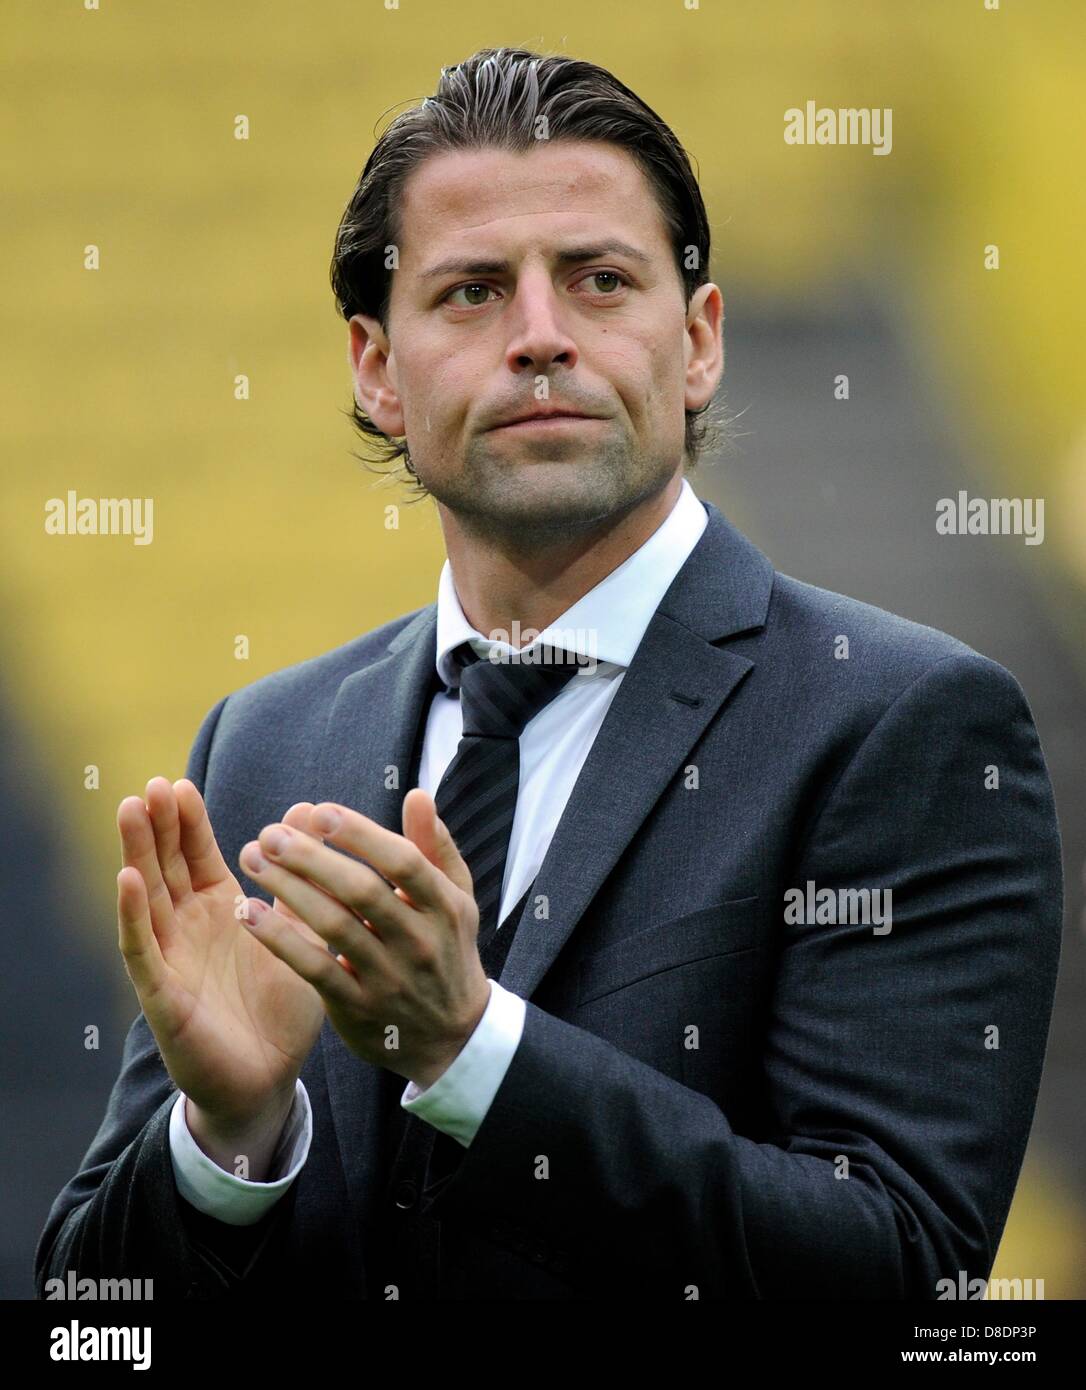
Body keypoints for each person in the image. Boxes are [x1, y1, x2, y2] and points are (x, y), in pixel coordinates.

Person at [36, 46, 1062, 1301]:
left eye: (599, 281)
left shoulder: (906, 723)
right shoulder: (263, 741)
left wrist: (474, 1050)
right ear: (375, 371)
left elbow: (899, 1277)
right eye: (471, 291)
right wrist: (228, 1140)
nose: (538, 338)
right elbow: (93, 1325)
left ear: (696, 344)